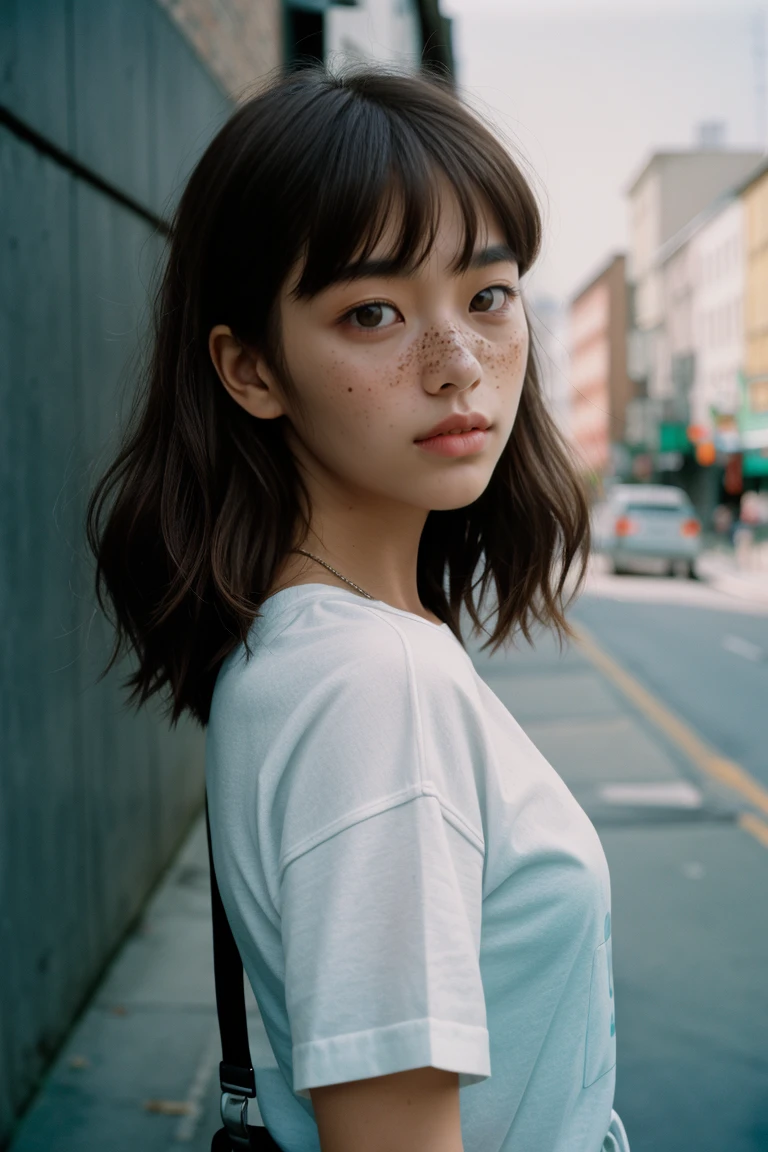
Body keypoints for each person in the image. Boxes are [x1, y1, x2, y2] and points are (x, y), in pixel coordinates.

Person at [88, 65, 629, 1152]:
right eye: (372, 311)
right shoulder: (374, 687)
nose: (457, 364)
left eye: (487, 295)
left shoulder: (303, 650)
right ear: (251, 370)